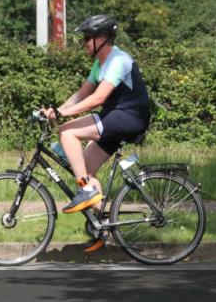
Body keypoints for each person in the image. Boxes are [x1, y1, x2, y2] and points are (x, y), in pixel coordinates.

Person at [39, 14, 151, 249]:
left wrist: (63, 117)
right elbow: (81, 95)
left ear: (102, 38)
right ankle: (102, 229)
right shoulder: (100, 63)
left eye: (87, 38)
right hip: (115, 117)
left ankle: (87, 190)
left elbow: (97, 99)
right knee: (86, 169)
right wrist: (54, 111)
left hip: (129, 117)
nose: (84, 43)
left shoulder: (118, 60)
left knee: (67, 133)